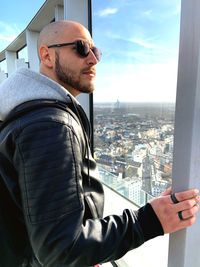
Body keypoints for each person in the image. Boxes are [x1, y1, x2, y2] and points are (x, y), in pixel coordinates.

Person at [0, 20, 199, 267]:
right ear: (47, 56)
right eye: (82, 48)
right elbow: (61, 249)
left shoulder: (26, 114)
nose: (93, 59)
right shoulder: (51, 126)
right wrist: (149, 220)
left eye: (96, 51)